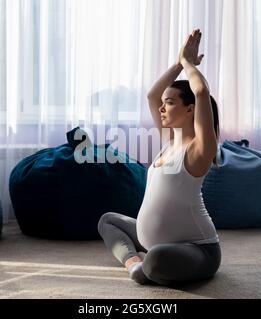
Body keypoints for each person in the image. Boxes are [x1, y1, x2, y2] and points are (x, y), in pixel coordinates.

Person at [98, 29, 221, 286]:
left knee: (156, 258)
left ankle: (148, 263)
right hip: (153, 243)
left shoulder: (199, 150)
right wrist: (178, 62)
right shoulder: (168, 142)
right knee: (108, 220)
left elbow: (200, 93)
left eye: (170, 103)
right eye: (163, 104)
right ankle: (135, 264)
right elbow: (152, 95)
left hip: (198, 249)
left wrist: (188, 65)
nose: (161, 107)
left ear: (190, 110)